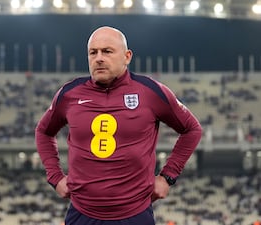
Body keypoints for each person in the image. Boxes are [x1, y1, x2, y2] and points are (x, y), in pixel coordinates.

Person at [35, 26, 202, 225]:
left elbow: (192, 129)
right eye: (93, 52)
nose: (98, 58)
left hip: (135, 214)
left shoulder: (150, 92)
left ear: (127, 56)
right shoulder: (70, 94)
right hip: (82, 213)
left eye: (107, 51)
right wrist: (55, 177)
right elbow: (43, 132)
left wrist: (168, 177)